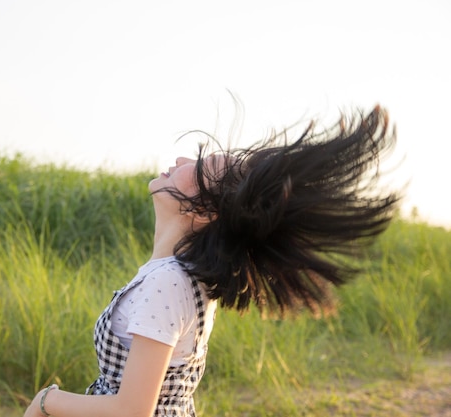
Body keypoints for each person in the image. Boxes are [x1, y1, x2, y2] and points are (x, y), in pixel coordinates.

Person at [23, 105, 401, 417]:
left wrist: (47, 401)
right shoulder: (179, 277)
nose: (182, 158)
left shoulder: (167, 282)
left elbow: (133, 410)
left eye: (199, 165)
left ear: (203, 211)